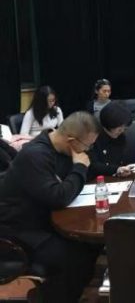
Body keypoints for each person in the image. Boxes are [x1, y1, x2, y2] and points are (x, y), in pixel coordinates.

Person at [0, 112, 102, 303]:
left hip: (46, 220)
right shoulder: (35, 155)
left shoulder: (59, 150)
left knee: (91, 245)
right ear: (71, 141)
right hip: (20, 230)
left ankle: (73, 293)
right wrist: (80, 168)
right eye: (87, 145)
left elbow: (70, 184)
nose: (87, 151)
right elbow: (59, 197)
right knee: (72, 257)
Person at [88, 101, 134, 179]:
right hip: (96, 180)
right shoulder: (93, 138)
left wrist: (121, 171)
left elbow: (121, 161)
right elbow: (94, 166)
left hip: (116, 179)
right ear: (110, 123)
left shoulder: (121, 137)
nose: (122, 131)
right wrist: (116, 170)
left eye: (124, 128)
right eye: (119, 129)